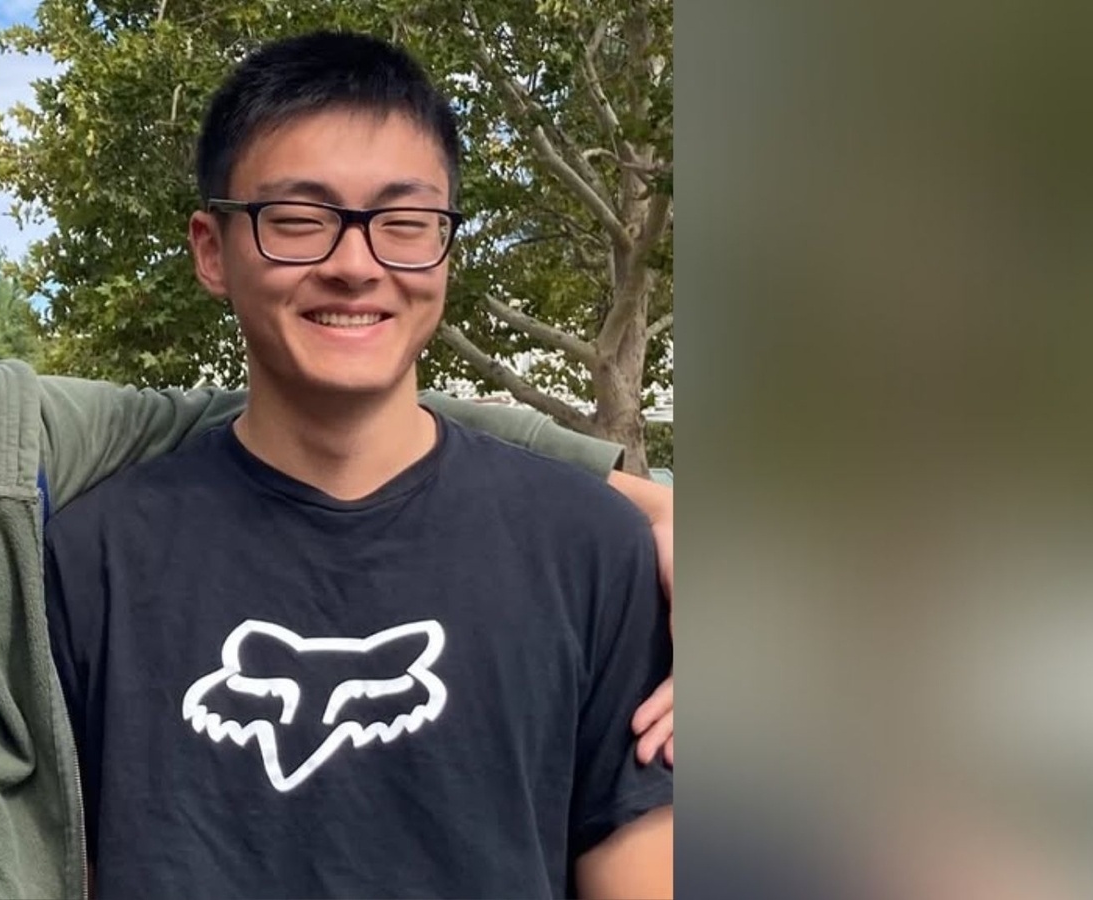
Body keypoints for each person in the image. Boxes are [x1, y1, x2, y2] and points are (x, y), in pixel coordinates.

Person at [37, 31, 672, 899]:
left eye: (404, 224)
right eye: (299, 221)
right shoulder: (89, 562)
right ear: (212, 251)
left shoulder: (595, 551)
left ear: (445, 248)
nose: (355, 265)